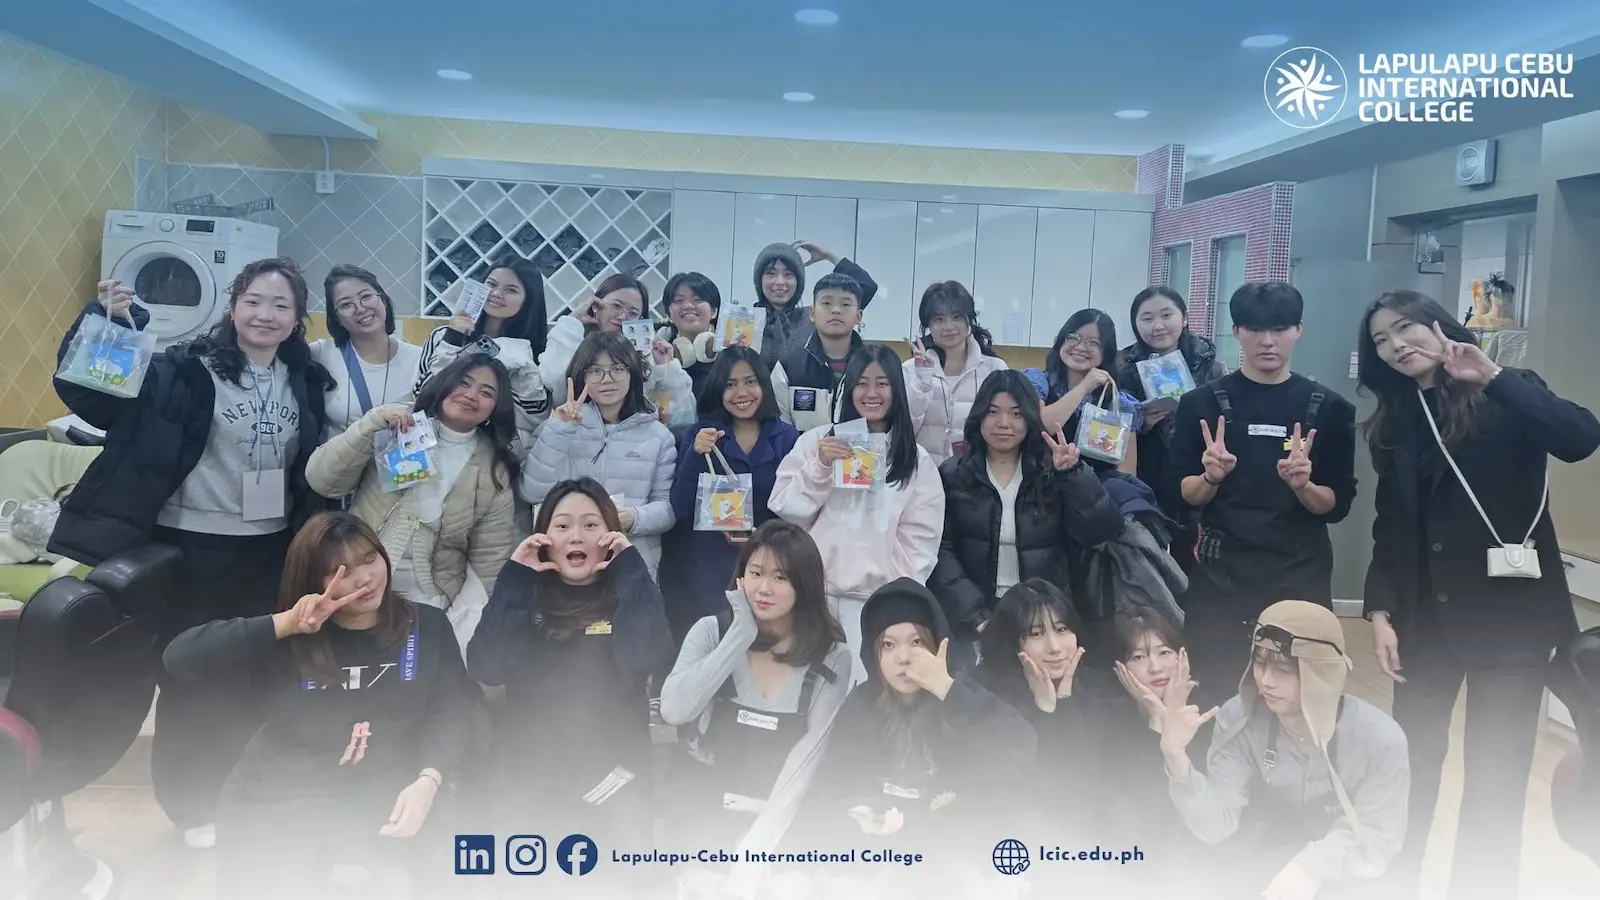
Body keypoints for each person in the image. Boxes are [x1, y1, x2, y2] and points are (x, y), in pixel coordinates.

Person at [49, 258, 333, 847]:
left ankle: (248, 795)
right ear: (234, 306)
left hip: (271, 550)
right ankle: (192, 805)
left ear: (297, 318)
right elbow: (93, 396)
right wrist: (110, 322)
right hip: (191, 550)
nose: (265, 314)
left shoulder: (303, 377)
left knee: (259, 675)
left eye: (281, 305)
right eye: (254, 301)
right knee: (193, 676)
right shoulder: (182, 368)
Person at [1356, 290, 1600, 900]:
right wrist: (1381, 610)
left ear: (1440, 325)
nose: (1396, 345)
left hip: (1510, 622)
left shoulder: (1508, 390)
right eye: (1381, 341)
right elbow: (1392, 525)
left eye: (1405, 328)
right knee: (1412, 762)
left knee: (1498, 773)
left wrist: (1492, 376)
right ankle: (1397, 885)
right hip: (1423, 618)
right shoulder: (1395, 421)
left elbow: (1579, 437)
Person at [163, 512, 472, 899]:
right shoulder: (291, 634)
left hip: (387, 782)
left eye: (370, 559)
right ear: (312, 581)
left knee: (439, 845)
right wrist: (286, 625)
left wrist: (429, 780)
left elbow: (451, 710)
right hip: (284, 789)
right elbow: (180, 659)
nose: (364, 578)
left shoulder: (426, 625)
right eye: (340, 571)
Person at [465, 478, 676, 874]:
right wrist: (515, 578)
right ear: (544, 538)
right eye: (562, 526)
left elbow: (646, 656)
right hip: (531, 782)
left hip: (614, 782)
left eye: (591, 525)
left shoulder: (631, 593)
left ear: (611, 535)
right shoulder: (522, 595)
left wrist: (630, 570)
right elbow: (488, 667)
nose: (576, 536)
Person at [1168, 283, 1357, 701]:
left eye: (1280, 328)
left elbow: (1336, 505)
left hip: (1300, 573)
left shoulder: (1331, 408)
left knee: (1297, 693)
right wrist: (1211, 477)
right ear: (1236, 331)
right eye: (1254, 329)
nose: (1267, 341)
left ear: (1298, 330)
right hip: (1221, 576)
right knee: (1214, 691)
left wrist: (1304, 487)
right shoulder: (1200, 405)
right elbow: (1185, 493)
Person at [1151, 600, 1409, 900]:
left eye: (1283, 669)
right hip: (1263, 868)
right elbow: (1217, 825)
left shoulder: (1380, 739)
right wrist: (1176, 759)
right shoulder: (1238, 719)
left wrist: (1309, 869)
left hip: (1350, 875)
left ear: (1322, 672)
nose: (1266, 681)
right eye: (1260, 664)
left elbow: (1379, 835)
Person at [798, 578, 1036, 899]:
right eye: (888, 645)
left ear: (938, 646)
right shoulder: (859, 706)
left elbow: (1020, 746)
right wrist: (860, 814)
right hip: (877, 858)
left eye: (916, 643)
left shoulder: (961, 694)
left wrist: (947, 690)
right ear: (873, 654)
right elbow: (831, 791)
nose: (904, 657)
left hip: (955, 856)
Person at [659, 520, 853, 899]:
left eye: (780, 577)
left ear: (805, 584)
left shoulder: (833, 655)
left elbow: (807, 761)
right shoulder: (710, 632)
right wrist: (739, 636)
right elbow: (675, 710)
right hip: (705, 816)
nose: (764, 588)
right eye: (755, 573)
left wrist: (753, 853)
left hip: (782, 821)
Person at [768, 345, 945, 684]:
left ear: (897, 389)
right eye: (861, 383)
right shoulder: (816, 442)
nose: (871, 393)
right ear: (848, 388)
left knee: (864, 697)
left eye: (882, 383)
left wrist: (892, 595)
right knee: (805, 690)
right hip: (812, 599)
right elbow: (786, 511)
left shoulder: (915, 459)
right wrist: (821, 466)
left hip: (876, 605)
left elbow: (921, 539)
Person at [930, 371, 1122, 672]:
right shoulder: (953, 474)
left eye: (1016, 414)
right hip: (975, 619)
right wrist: (977, 616)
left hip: (1046, 617)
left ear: (1030, 418)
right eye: (993, 412)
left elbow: (1101, 530)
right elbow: (941, 551)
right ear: (979, 417)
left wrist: (1072, 475)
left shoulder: (1052, 470)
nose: (1004, 423)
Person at [306, 352, 519, 617]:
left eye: (486, 393)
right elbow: (322, 481)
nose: (470, 395)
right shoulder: (394, 423)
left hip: (429, 603)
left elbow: (488, 561)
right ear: (445, 382)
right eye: (463, 382)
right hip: (356, 584)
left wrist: (457, 624)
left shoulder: (494, 470)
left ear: (495, 408)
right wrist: (370, 427)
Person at [663, 346, 799, 638]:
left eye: (750, 382)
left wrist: (761, 535)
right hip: (709, 566)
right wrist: (695, 455)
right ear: (718, 389)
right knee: (715, 643)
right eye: (730, 384)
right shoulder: (701, 434)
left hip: (768, 561)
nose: (741, 393)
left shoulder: (786, 436)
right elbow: (679, 506)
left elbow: (794, 508)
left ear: (764, 385)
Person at [521, 332, 679, 579]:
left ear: (633, 373)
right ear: (581, 375)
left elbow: (668, 509)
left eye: (618, 369)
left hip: (630, 567)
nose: (607, 379)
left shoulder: (659, 436)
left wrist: (634, 518)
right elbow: (531, 493)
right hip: (564, 566)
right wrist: (560, 431)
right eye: (595, 371)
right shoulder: (557, 426)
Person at [1117, 286, 1226, 571]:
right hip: (1148, 477)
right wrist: (1141, 423)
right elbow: (1112, 434)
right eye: (1147, 318)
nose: (1158, 326)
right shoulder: (1125, 372)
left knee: (1193, 564)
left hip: (1199, 476)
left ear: (1184, 318)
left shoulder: (1211, 368)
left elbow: (1224, 424)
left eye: (1167, 315)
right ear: (1136, 325)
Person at [415, 258, 549, 452]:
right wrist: (452, 339)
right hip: (436, 444)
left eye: (511, 290)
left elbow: (536, 418)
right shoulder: (443, 336)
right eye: (491, 284)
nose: (496, 294)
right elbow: (421, 394)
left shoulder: (537, 352)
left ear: (528, 300)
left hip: (499, 453)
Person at [540, 273, 697, 428]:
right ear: (595, 305)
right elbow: (555, 385)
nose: (622, 316)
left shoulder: (648, 356)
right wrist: (573, 322)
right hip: (578, 433)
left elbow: (683, 415)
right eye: (616, 306)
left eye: (633, 313)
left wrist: (668, 367)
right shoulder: (573, 342)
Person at [1023, 309, 1144, 476]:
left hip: (1095, 489)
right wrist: (1083, 387)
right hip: (1039, 483)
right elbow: (1040, 426)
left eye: (1093, 343)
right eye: (1073, 337)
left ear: (1106, 351)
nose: (1080, 347)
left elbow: (1126, 472)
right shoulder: (1038, 381)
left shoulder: (1119, 404)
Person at [311, 264, 424, 437]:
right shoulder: (320, 354)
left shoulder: (420, 359)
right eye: (346, 304)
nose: (360, 308)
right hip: (340, 454)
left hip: (403, 454)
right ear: (336, 318)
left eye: (366, 296)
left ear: (383, 300)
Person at [904, 281, 1009, 462]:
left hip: (976, 472)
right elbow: (902, 429)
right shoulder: (909, 370)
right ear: (928, 325)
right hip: (924, 470)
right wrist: (922, 382)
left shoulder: (995, 370)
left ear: (969, 321)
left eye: (957, 317)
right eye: (939, 320)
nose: (949, 326)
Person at [770, 272, 873, 432]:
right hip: (804, 449)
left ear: (858, 317)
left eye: (846, 304)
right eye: (826, 303)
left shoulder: (873, 366)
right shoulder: (788, 368)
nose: (836, 310)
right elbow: (780, 430)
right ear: (812, 313)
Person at [750, 241, 878, 369]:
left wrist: (828, 256)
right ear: (759, 280)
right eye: (771, 274)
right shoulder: (747, 321)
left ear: (798, 281)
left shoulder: (813, 318)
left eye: (788, 274)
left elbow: (866, 286)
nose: (780, 282)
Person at [657, 271, 724, 396]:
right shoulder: (658, 352)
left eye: (698, 299)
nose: (687, 305)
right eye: (678, 300)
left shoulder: (729, 350)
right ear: (669, 314)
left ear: (714, 311)